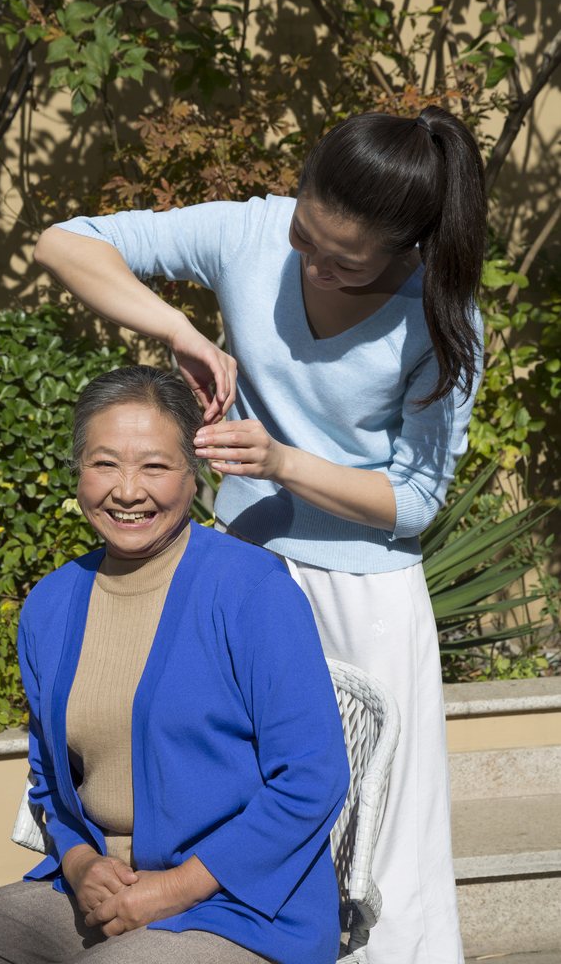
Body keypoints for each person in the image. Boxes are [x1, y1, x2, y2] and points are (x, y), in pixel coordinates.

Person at [32, 106, 488, 964]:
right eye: (304, 234)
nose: (310, 263)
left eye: (343, 261)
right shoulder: (247, 233)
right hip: (234, 576)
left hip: (364, 599)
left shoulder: (441, 314)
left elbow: (416, 501)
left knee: (377, 850)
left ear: (405, 249)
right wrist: (179, 330)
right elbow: (65, 241)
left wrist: (282, 461)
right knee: (224, 805)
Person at [0, 366, 349, 964]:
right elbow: (50, 778)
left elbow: (313, 777)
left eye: (155, 466)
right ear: (78, 470)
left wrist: (172, 890)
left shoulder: (251, 588)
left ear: (193, 472)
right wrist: (78, 864)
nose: (128, 490)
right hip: (96, 897)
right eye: (105, 464)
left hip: (241, 907)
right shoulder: (50, 604)